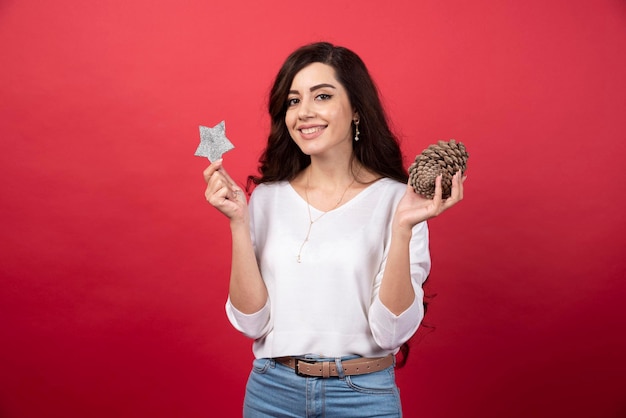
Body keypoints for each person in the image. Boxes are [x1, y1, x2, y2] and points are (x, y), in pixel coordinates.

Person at [203, 42, 465, 418]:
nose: (304, 112)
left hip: (363, 396)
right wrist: (239, 223)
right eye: (293, 101)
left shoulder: (399, 201)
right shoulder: (265, 199)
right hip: (272, 393)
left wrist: (404, 227)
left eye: (322, 96)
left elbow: (390, 334)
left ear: (356, 109)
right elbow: (251, 322)